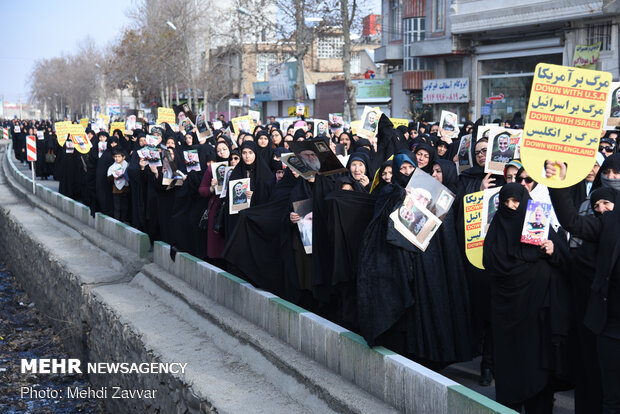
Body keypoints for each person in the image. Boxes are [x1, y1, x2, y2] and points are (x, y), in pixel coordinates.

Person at [483, 183, 570, 413]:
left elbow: (567, 262)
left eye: (517, 202)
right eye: (506, 202)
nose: (511, 207)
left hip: (537, 315)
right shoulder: (496, 231)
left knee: (537, 368)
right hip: (507, 316)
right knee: (510, 369)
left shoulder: (543, 226)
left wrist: (554, 250)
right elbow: (490, 263)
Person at [107, 148, 130, 222]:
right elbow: (108, 178)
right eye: (115, 157)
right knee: (117, 206)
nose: (117, 158)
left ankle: (124, 220)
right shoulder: (112, 167)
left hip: (126, 187)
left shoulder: (127, 165)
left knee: (125, 206)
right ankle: (117, 220)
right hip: (116, 189)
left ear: (123, 157)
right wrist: (114, 175)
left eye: (119, 156)